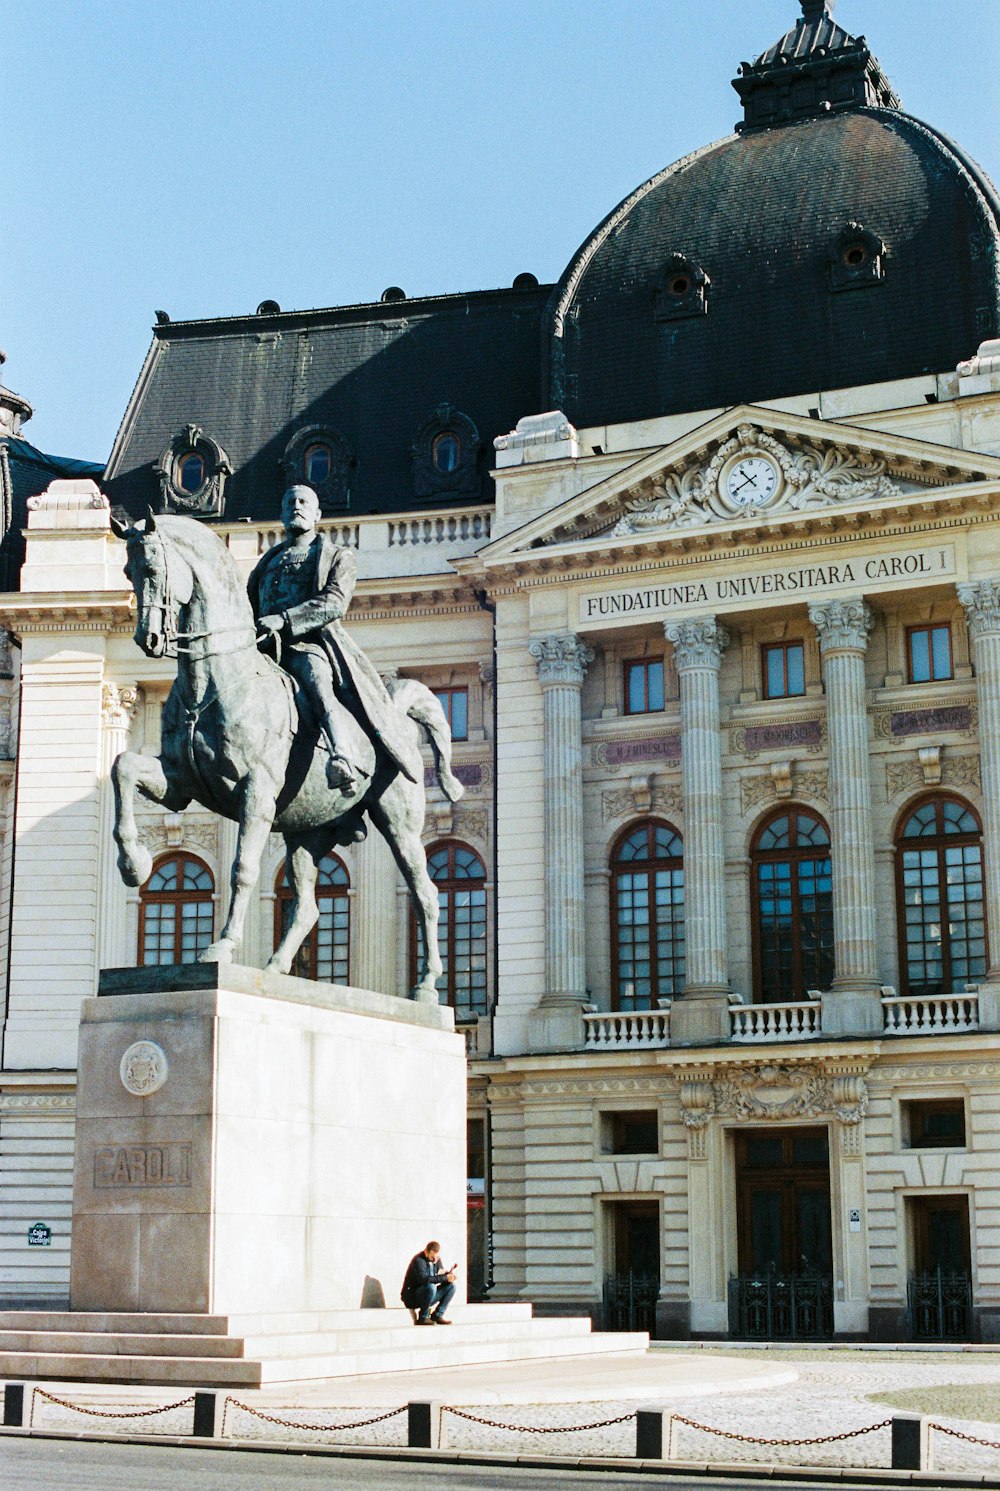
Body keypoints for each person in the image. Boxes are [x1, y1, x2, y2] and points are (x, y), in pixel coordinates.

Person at [248, 484, 422, 793]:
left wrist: (285, 620)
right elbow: (249, 605)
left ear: (317, 515)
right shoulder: (267, 562)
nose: (296, 506)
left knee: (318, 684)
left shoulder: (335, 556)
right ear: (282, 513)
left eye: (303, 502)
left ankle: (342, 755)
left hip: (307, 645)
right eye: (290, 502)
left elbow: (333, 602)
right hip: (263, 649)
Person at [400, 1240, 457, 1325]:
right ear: (426, 1252)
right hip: (413, 1296)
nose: (434, 1260)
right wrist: (445, 1278)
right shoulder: (418, 1260)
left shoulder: (436, 1260)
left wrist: (448, 1276)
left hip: (428, 1296)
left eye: (436, 1257)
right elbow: (424, 1279)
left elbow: (440, 1274)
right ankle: (423, 1316)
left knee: (452, 1286)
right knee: (431, 1287)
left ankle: (438, 1315)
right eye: (432, 1257)